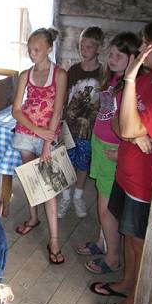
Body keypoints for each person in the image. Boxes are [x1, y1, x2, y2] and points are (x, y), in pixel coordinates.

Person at [91, 16, 152, 304]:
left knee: (138, 242)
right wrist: (135, 134)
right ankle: (125, 282)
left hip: (143, 181)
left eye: (150, 44)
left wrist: (130, 78)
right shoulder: (146, 81)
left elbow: (126, 125)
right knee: (126, 234)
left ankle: (135, 300)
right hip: (126, 170)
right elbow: (119, 124)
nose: (144, 49)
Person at [76, 33, 141, 275]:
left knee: (107, 209)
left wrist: (121, 152)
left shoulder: (131, 88)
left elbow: (133, 127)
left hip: (113, 152)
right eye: (111, 54)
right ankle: (102, 242)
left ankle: (112, 257)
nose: (112, 59)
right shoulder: (113, 80)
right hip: (100, 146)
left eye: (119, 56)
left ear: (133, 59)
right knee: (102, 204)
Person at [11, 28, 67, 265]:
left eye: (36, 49)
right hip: (26, 132)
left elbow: (57, 112)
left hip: (48, 136)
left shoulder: (60, 74)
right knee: (31, 180)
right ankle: (33, 218)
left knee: (49, 189)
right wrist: (36, 130)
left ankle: (54, 240)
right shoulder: (26, 74)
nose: (31, 53)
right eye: (29, 49)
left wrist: (47, 143)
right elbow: (16, 110)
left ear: (49, 49)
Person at [58, 27, 105, 218]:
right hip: (69, 127)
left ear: (98, 48)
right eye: (81, 46)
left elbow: (105, 103)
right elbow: (63, 97)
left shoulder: (103, 74)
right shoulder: (73, 71)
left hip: (89, 130)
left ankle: (78, 195)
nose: (83, 50)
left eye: (88, 46)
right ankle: (66, 196)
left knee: (83, 163)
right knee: (66, 162)